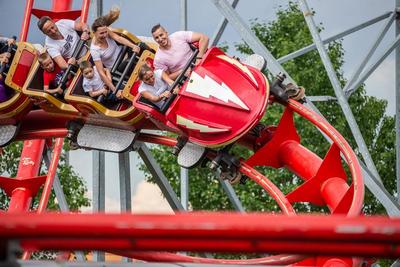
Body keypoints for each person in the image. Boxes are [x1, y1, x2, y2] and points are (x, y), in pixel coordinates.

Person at [90, 7, 140, 98]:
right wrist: (114, 90)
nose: (105, 35)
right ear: (94, 33)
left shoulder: (105, 31)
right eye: (102, 34)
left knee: (141, 45)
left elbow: (118, 38)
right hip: (118, 66)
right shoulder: (94, 50)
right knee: (128, 62)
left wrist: (133, 46)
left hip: (124, 53)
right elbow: (101, 73)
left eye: (106, 32)